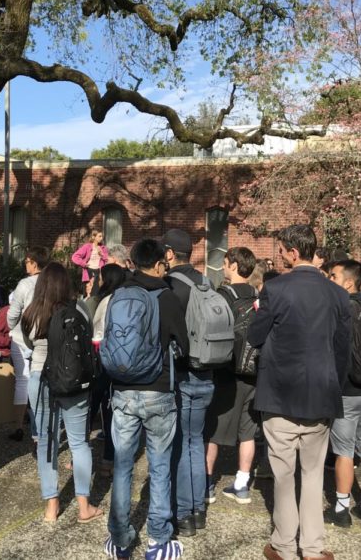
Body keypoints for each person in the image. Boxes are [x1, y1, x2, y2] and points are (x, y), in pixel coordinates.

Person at [248, 224, 350, 560]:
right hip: (321, 393)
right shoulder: (337, 293)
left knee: (282, 474)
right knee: (312, 473)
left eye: (282, 250)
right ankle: (312, 546)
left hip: (280, 393)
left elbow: (255, 336)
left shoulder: (275, 289)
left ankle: (284, 544)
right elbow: (342, 349)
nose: (279, 256)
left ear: (294, 252)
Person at [104, 238, 188, 560]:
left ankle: (121, 540)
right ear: (157, 264)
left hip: (123, 392)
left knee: (123, 467)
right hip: (159, 392)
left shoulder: (118, 295)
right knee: (160, 465)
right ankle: (159, 540)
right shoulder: (165, 296)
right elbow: (184, 345)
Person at [21, 261, 102, 523]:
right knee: (79, 442)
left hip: (39, 378)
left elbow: (27, 342)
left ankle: (51, 507)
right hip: (72, 380)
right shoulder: (78, 308)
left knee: (47, 443)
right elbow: (88, 337)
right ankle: (84, 507)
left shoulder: (32, 312)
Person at [162, 228, 214, 537]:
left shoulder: (171, 286)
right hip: (207, 372)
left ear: (169, 254)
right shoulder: (206, 283)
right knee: (196, 441)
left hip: (182, 373)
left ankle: (183, 514)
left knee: (181, 444)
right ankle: (197, 510)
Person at [324, 261, 361, 528]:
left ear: (349, 282)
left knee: (344, 452)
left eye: (333, 276)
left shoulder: (339, 311)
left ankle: (341, 508)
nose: (329, 278)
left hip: (347, 390)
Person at [205, 246, 259, 505]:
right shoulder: (260, 295)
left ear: (235, 265)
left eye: (226, 263)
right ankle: (242, 484)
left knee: (213, 430)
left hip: (227, 370)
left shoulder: (223, 295)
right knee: (248, 431)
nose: (224, 267)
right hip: (255, 370)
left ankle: (206, 485)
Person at [7, 246, 50, 444]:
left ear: (34, 263)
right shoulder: (51, 282)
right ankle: (40, 428)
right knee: (41, 382)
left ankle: (18, 424)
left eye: (27, 261)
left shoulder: (25, 284)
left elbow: (13, 313)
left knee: (23, 381)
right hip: (45, 338)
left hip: (21, 339)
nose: (25, 264)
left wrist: (13, 326)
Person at [90, 263, 129, 475]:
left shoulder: (105, 301)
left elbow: (96, 328)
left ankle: (95, 458)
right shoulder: (128, 298)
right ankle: (109, 459)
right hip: (123, 358)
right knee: (112, 410)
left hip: (102, 357)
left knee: (97, 405)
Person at [72, 230, 109, 295]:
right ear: (94, 237)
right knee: (88, 294)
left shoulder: (103, 248)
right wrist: (83, 264)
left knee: (97, 295)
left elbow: (108, 260)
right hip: (88, 271)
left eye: (102, 236)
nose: (101, 238)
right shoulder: (87, 246)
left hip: (99, 272)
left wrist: (102, 254)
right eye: (99, 236)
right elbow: (74, 257)